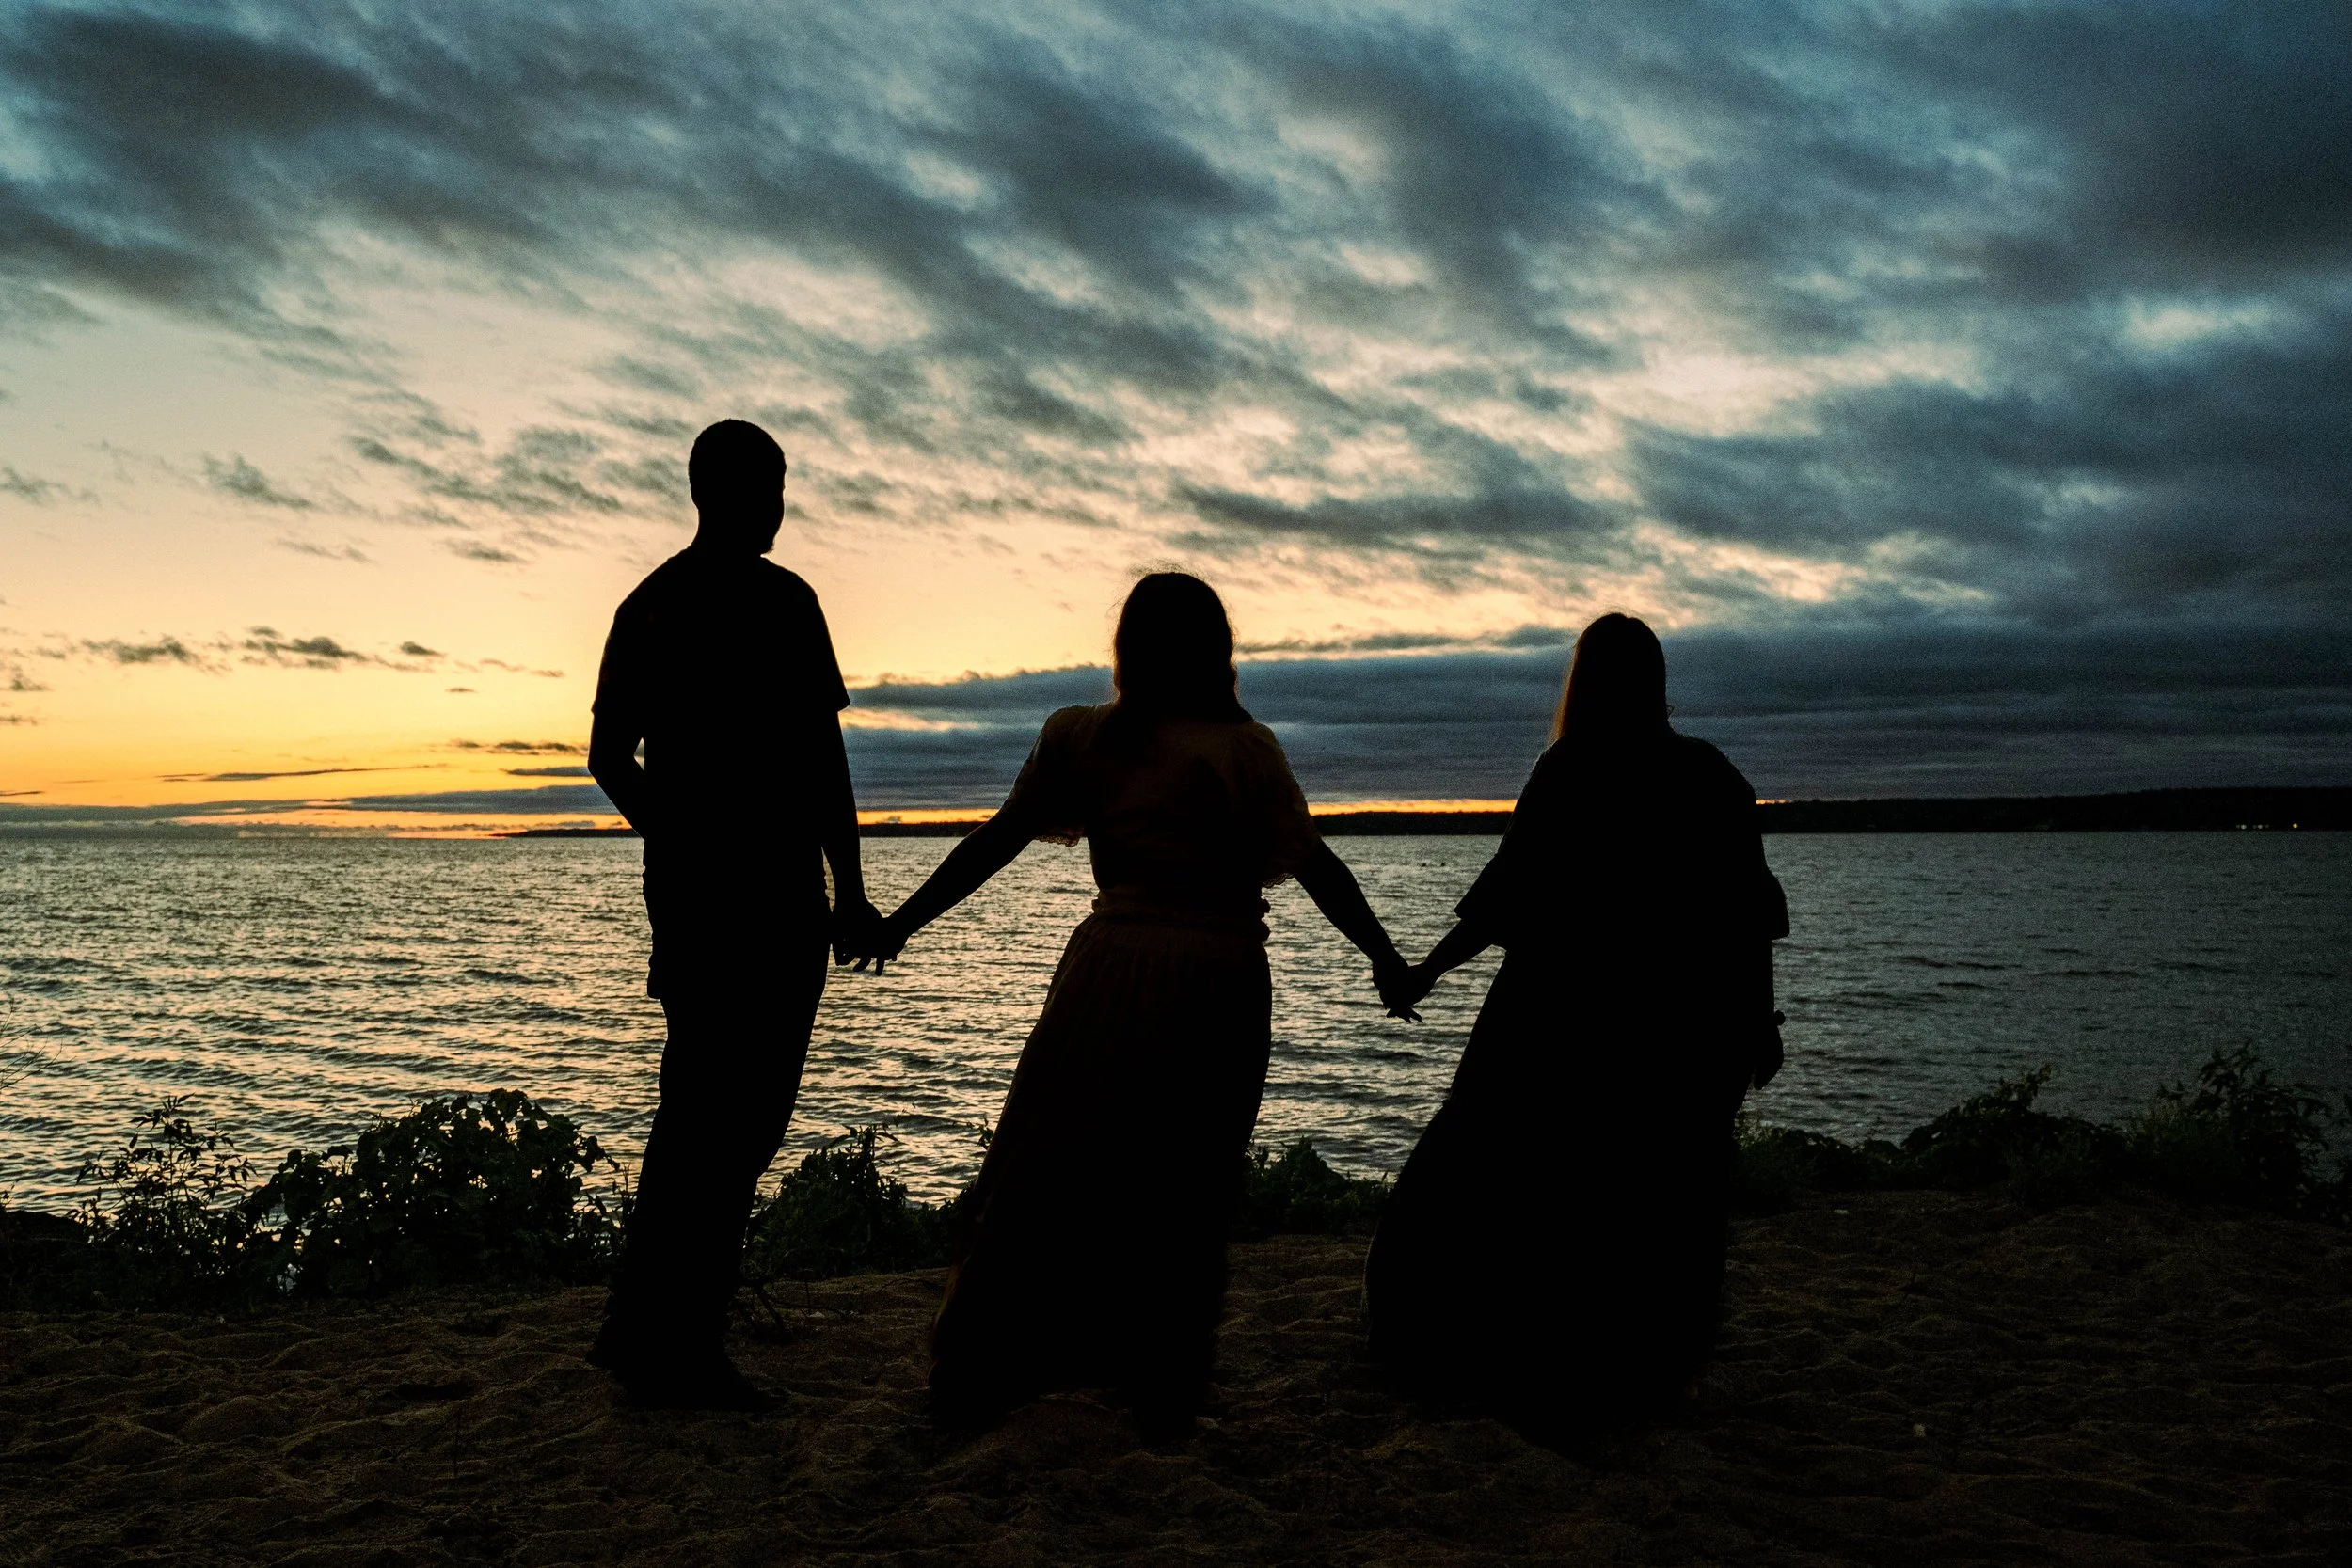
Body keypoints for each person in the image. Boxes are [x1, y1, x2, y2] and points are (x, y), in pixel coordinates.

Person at [849, 572, 1418, 1436]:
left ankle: (982, 1371)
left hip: (1109, 972)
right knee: (1184, 1184)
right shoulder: (1243, 750)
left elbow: (993, 843)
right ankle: (1159, 1385)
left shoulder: (1085, 740)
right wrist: (1386, 960)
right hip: (1217, 981)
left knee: (1050, 1166)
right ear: (1217, 653)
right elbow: (1318, 866)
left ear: (1126, 651)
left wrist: (899, 923)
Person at [1366, 612, 1788, 1434]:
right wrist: (1756, 1022)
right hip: (1682, 1023)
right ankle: (1641, 1361)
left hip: (1560, 1017)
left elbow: (1505, 896)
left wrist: (1428, 968)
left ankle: (1491, 1348)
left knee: (1507, 1173)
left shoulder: (1571, 768)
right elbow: (1749, 917)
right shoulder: (1710, 774)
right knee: (1660, 1193)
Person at [583, 419, 881, 1410]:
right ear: (724, 493)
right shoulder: (782, 602)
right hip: (761, 896)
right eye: (772, 487)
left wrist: (673, 831)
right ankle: (680, 1342)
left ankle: (642, 1323)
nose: (780, 505)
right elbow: (822, 764)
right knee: (736, 1118)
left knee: (700, 1109)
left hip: (703, 895)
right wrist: (848, 886)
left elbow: (604, 759)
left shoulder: (648, 605)